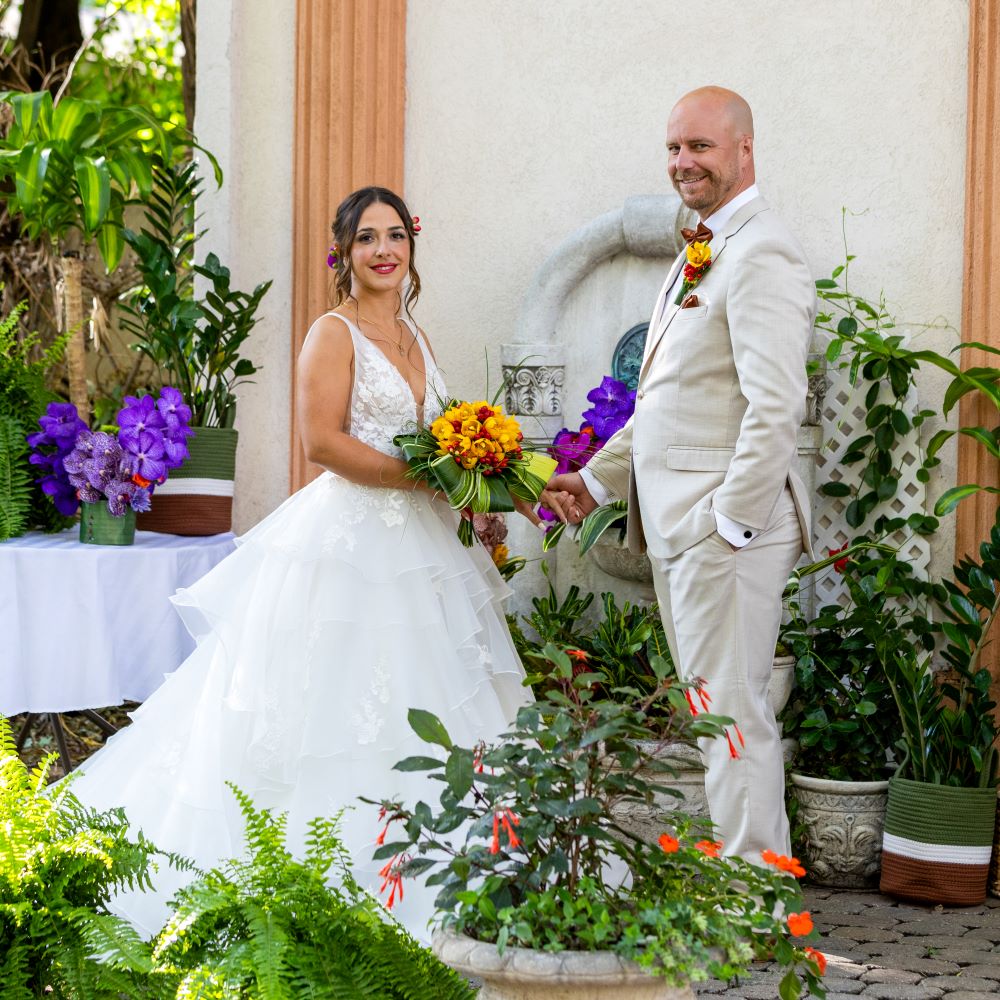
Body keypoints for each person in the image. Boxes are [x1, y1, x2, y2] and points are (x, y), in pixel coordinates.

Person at [72, 186, 535, 940]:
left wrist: (472, 491)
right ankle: (318, 903)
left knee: (448, 701)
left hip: (428, 548)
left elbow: (442, 436)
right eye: (366, 239)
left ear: (412, 248)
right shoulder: (333, 331)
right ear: (344, 254)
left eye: (395, 236)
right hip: (352, 547)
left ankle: (458, 885)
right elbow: (321, 444)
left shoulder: (416, 335)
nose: (384, 250)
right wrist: (430, 477)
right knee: (333, 714)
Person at [544, 87, 816, 861]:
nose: (683, 162)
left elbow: (776, 406)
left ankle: (756, 900)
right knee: (715, 712)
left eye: (699, 146)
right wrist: (595, 481)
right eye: (673, 148)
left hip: (724, 531)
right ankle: (747, 884)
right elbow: (667, 403)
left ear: (743, 150)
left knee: (732, 715)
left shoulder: (761, 249)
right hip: (686, 523)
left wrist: (729, 524)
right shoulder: (702, 245)